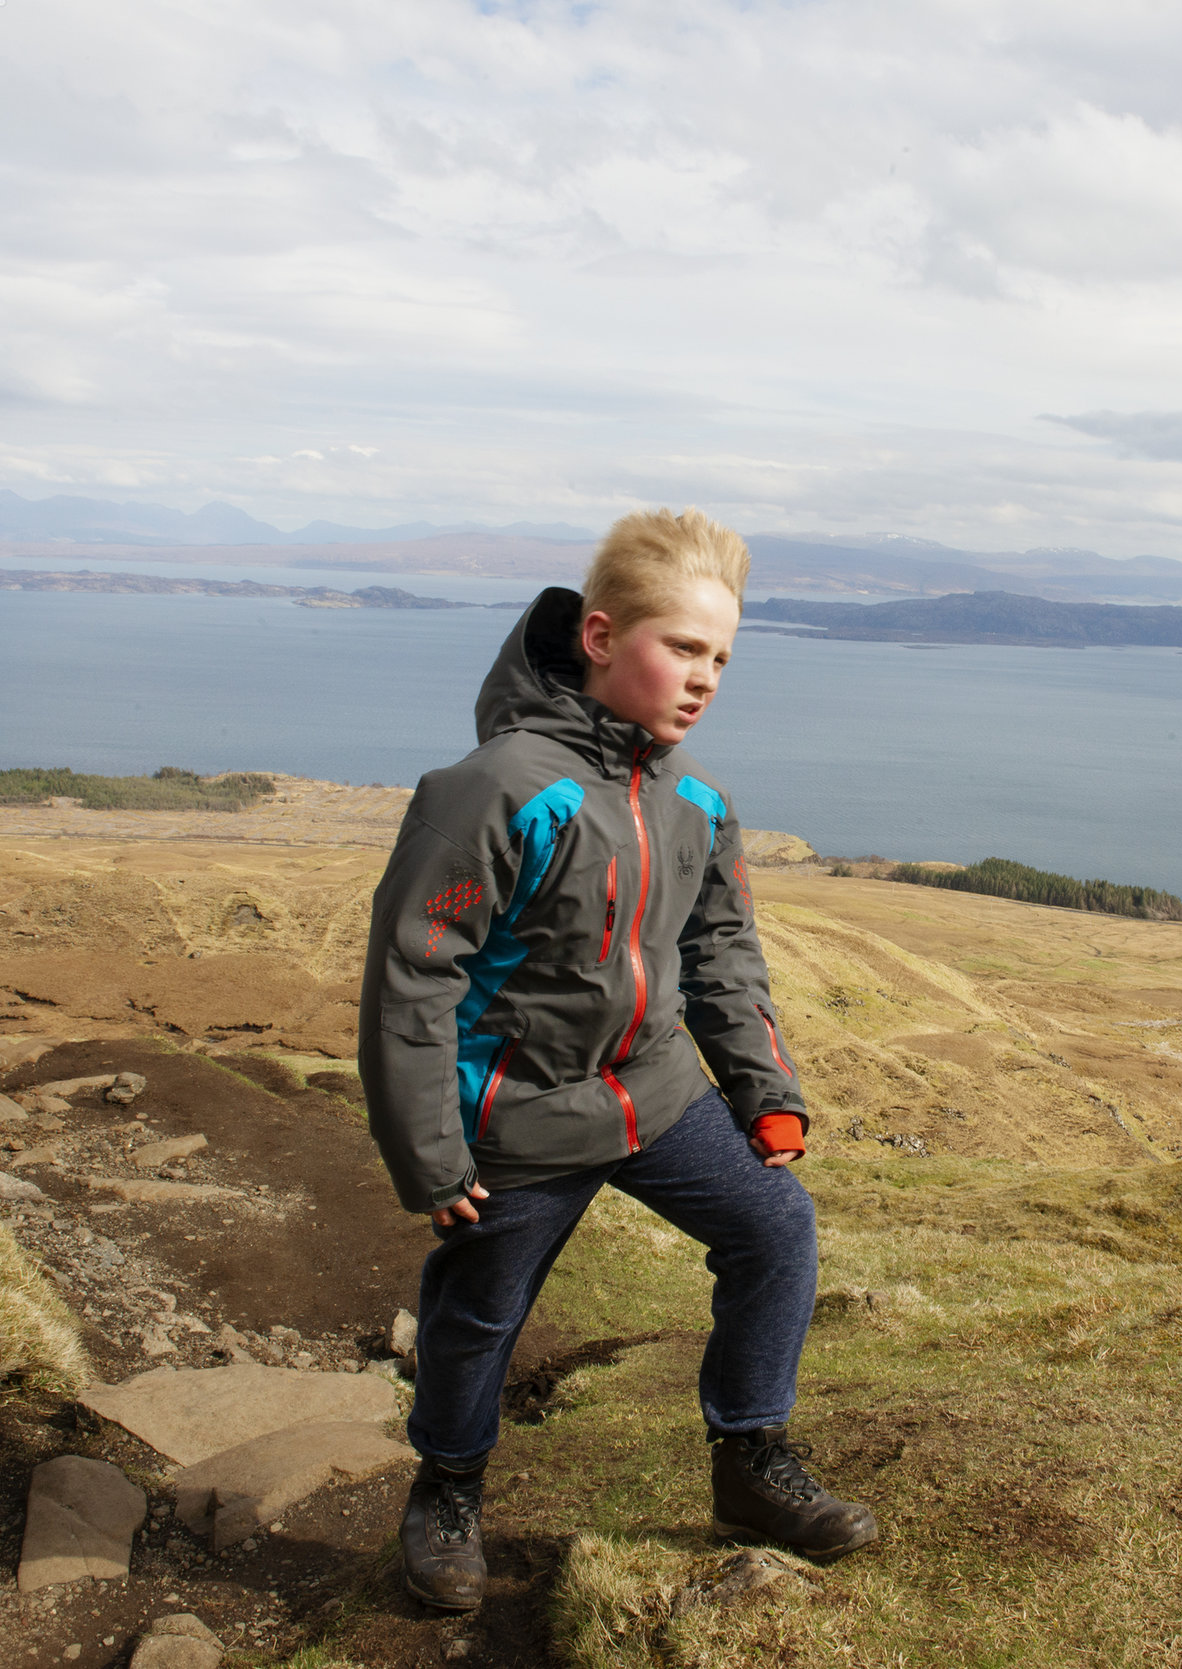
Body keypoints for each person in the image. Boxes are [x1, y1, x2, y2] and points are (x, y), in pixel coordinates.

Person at [358, 508, 877, 1612]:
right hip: (520, 1110)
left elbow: (721, 950)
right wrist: (432, 1155)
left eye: (721, 657)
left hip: (655, 1089)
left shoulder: (695, 799)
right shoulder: (496, 787)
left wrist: (765, 1092)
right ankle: (448, 1489)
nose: (705, 679)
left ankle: (750, 1461)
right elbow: (414, 978)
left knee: (774, 1227)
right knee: (481, 1311)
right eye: (682, 647)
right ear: (600, 637)